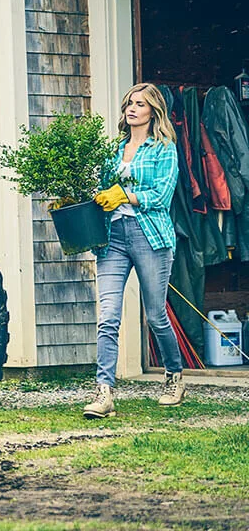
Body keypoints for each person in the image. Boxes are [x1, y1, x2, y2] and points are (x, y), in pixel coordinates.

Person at [85, 83, 185, 418]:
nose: (132, 108)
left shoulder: (164, 148)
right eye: (129, 102)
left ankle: (174, 376)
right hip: (113, 236)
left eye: (140, 104)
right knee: (108, 316)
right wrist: (98, 196)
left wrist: (125, 195)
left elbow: (161, 196)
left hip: (150, 236)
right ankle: (104, 393)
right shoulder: (114, 149)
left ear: (152, 111)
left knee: (156, 316)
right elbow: (101, 187)